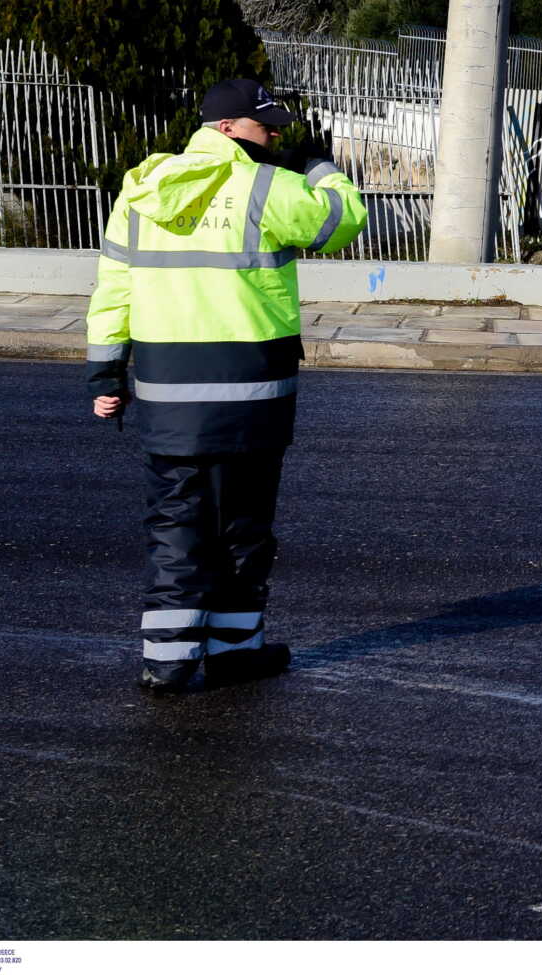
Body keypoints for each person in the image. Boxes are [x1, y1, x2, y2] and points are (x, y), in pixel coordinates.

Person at [87, 76, 366, 694]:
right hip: (252, 391)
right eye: (266, 127)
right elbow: (346, 220)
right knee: (244, 524)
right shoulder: (268, 186)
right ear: (227, 129)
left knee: (178, 523)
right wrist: (318, 167)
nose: (275, 137)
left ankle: (168, 660)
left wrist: (106, 370)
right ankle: (234, 651)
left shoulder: (142, 189)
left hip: (168, 387)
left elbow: (114, 288)